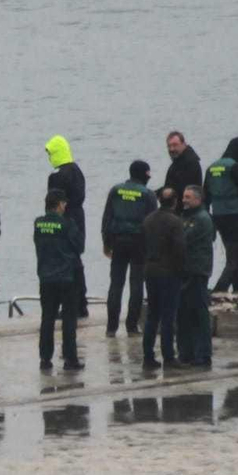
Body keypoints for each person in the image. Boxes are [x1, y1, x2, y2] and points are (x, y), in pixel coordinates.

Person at [100, 159, 156, 337]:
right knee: (137, 284)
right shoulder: (147, 194)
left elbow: (107, 219)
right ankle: (132, 326)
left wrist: (106, 243)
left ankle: (111, 327)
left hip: (118, 241)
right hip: (139, 243)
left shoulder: (116, 190)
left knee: (116, 284)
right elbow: (152, 223)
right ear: (144, 174)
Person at [34, 189, 84, 371]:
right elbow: (79, 246)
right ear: (59, 204)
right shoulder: (67, 224)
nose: (65, 207)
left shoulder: (38, 223)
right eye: (64, 203)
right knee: (69, 320)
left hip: (46, 277)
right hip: (67, 277)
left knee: (47, 319)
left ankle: (45, 359)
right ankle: (71, 359)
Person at [141, 187, 186, 370]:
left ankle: (148, 356)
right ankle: (168, 356)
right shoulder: (175, 222)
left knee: (152, 315)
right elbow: (180, 250)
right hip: (169, 273)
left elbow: (142, 245)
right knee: (168, 316)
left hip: (150, 270)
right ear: (175, 201)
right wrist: (181, 271)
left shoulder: (148, 219)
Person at [44, 136, 89, 317]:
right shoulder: (77, 170)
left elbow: (52, 203)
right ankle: (81, 304)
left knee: (65, 263)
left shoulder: (57, 176)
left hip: (63, 222)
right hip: (78, 218)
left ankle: (70, 305)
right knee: (76, 260)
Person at [205, 137, 238, 294]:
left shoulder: (211, 168)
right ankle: (219, 290)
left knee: (232, 253)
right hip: (235, 214)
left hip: (218, 215)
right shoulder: (235, 167)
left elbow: (205, 195)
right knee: (236, 257)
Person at [177, 185, 215, 367]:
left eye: (188, 197)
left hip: (197, 271)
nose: (184, 200)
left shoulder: (201, 218)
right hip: (184, 270)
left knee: (199, 313)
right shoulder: (185, 216)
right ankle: (186, 353)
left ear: (198, 200)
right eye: (183, 197)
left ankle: (203, 355)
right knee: (184, 313)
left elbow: (183, 239)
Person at [163, 131, 203, 195]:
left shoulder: (191, 163)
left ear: (184, 144)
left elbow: (182, 188)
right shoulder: (176, 163)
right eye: (169, 146)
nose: (172, 149)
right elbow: (169, 185)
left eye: (175, 145)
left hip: (188, 203)